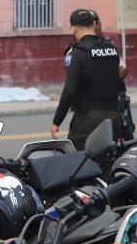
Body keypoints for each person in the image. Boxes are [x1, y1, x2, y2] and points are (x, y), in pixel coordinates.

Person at [51, 8, 126, 149]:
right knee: (111, 159)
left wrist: (57, 121)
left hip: (88, 120)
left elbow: (69, 90)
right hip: (114, 118)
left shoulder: (77, 53)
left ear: (74, 28)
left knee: (80, 160)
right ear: (94, 24)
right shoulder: (112, 48)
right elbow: (118, 77)